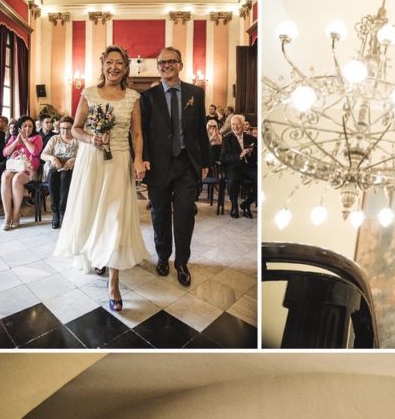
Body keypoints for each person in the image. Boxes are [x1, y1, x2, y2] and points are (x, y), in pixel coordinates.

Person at [54, 45, 148, 312]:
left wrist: (138, 159)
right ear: (103, 64)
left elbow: (137, 134)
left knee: (116, 218)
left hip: (118, 160)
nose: (114, 67)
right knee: (93, 213)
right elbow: (75, 128)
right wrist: (91, 139)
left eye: (119, 63)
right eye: (109, 62)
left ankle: (114, 283)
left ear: (126, 66)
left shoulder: (132, 97)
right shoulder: (89, 93)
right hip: (91, 161)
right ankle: (97, 254)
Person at [139, 46, 210, 287]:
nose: (166, 65)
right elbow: (144, 133)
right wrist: (144, 157)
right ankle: (162, 257)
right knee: (159, 215)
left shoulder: (195, 93)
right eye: (161, 63)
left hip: (186, 164)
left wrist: (206, 162)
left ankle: (181, 262)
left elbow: (201, 129)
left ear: (180, 64)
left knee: (184, 214)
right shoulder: (148, 96)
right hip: (158, 165)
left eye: (171, 61)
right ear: (158, 67)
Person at [0, 115, 43, 231]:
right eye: (24, 126)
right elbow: (5, 153)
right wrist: (16, 142)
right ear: (20, 127)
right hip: (14, 167)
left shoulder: (37, 137)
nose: (27, 129)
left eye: (30, 126)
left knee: (17, 179)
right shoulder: (14, 137)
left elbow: (35, 152)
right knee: (5, 176)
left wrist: (25, 140)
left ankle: (16, 214)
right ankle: (8, 215)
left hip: (29, 169)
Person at [40, 115, 78, 228]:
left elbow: (86, 155)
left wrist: (75, 159)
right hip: (55, 166)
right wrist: (52, 158)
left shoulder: (77, 140)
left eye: (68, 128)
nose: (65, 131)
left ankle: (63, 212)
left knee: (65, 176)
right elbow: (43, 154)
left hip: (70, 168)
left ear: (72, 128)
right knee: (52, 175)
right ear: (59, 128)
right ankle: (55, 212)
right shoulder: (54, 139)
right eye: (62, 128)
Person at [220, 113, 256, 218]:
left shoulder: (252, 139)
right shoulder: (227, 139)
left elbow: (256, 157)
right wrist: (239, 156)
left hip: (248, 167)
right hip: (233, 167)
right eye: (233, 124)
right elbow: (223, 157)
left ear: (243, 124)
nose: (235, 127)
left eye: (237, 124)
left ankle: (246, 204)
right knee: (232, 181)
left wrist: (251, 153)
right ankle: (234, 206)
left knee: (261, 180)